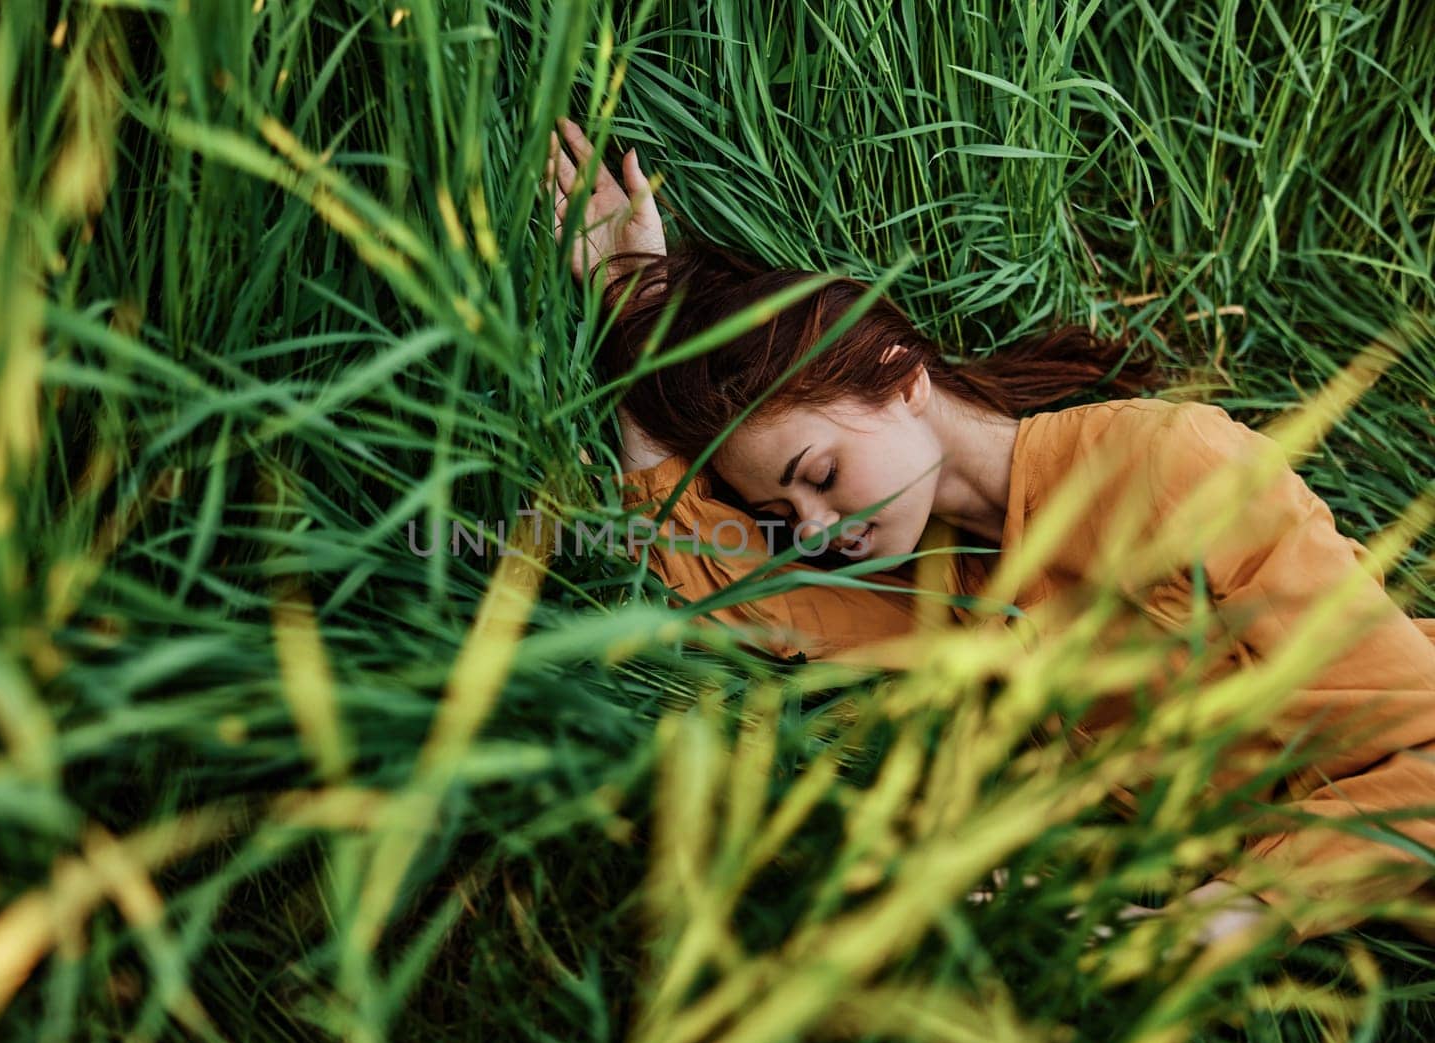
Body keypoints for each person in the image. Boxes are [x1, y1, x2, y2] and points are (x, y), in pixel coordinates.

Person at [544, 117, 1435, 947]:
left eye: (816, 477)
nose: (814, 528)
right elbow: (707, 579)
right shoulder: (932, 578)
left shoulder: (1171, 466)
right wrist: (631, 312)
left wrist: (1210, 918)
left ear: (899, 377)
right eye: (785, 516)